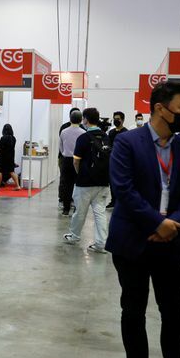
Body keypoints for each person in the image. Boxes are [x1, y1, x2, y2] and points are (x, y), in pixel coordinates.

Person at [106, 81, 180, 358]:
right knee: (133, 308)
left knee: (174, 309)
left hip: (171, 241)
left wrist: (172, 225)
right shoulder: (127, 142)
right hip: (134, 239)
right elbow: (123, 190)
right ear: (161, 108)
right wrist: (157, 222)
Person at [63, 108, 110, 253]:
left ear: (86, 119)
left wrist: (80, 174)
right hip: (103, 181)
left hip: (85, 182)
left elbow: (76, 161)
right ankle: (101, 243)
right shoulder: (106, 137)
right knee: (100, 212)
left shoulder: (83, 138)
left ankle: (74, 236)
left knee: (80, 212)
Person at [58, 110, 85, 215]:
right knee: (78, 186)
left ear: (70, 119)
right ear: (81, 120)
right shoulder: (83, 132)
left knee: (66, 185)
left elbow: (60, 147)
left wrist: (65, 153)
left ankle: (66, 209)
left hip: (66, 160)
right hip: (79, 160)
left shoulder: (64, 131)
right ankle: (76, 209)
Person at [106, 111, 128, 208]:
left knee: (121, 182)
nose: (116, 121)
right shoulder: (111, 132)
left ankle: (121, 201)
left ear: (122, 120)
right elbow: (108, 145)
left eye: (118, 119)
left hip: (122, 161)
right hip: (112, 160)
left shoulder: (126, 132)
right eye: (114, 119)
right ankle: (113, 201)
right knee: (112, 182)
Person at [0, 123, 20, 190]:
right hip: (11, 157)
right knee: (12, 172)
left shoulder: (3, 138)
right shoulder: (13, 138)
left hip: (2, 157)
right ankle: (18, 186)